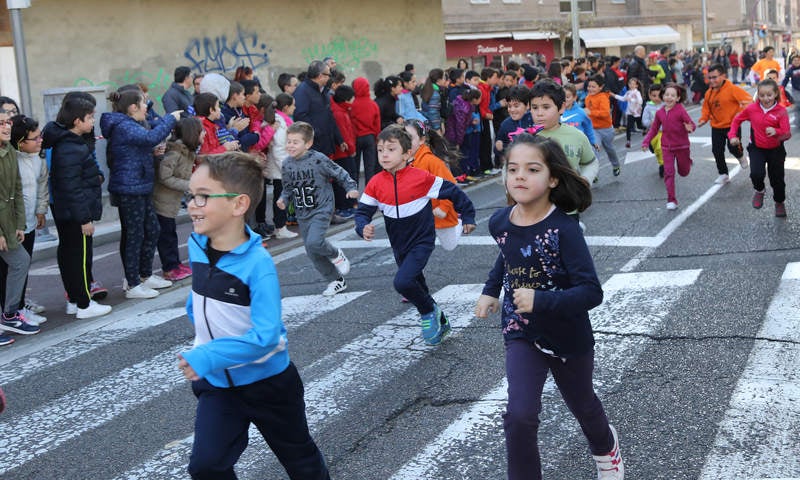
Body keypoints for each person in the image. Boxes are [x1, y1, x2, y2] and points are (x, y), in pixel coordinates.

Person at [474, 133, 624, 480]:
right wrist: (490, 290)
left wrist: (541, 299)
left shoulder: (564, 229)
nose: (520, 177)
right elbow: (507, 257)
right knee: (520, 415)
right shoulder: (500, 222)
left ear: (552, 178)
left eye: (532, 169)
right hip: (521, 331)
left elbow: (591, 291)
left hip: (567, 335)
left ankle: (606, 450)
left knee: (583, 406)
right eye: (513, 169)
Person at [178, 152, 331, 480]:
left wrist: (208, 353)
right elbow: (200, 295)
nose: (192, 204)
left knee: (300, 461)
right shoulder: (196, 245)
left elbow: (265, 337)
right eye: (190, 196)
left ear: (238, 205)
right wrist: (198, 322)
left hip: (270, 385)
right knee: (206, 466)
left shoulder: (258, 265)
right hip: (218, 385)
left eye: (203, 197)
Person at [354, 125, 476, 345]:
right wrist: (362, 226)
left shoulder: (421, 178)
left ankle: (428, 312)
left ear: (406, 153)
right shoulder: (375, 183)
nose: (384, 155)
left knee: (403, 282)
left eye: (391, 149)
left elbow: (453, 191)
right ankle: (440, 318)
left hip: (421, 240)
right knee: (416, 284)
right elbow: (362, 212)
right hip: (399, 244)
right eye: (381, 150)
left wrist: (468, 216)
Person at [100, 87, 179, 299]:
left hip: (141, 184)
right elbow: (150, 137)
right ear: (132, 107)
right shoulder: (123, 125)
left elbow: (146, 138)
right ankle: (132, 283)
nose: (147, 107)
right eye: (143, 103)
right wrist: (170, 119)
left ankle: (144, 275)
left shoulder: (131, 123)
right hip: (129, 187)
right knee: (135, 235)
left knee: (152, 229)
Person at [41, 94, 113, 319]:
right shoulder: (71, 147)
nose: (93, 121)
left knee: (70, 254)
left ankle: (74, 300)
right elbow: (72, 187)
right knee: (80, 257)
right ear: (76, 121)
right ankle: (84, 303)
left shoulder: (65, 142)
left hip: (66, 210)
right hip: (75, 213)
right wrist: (84, 218)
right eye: (90, 117)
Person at [276, 122, 358, 296]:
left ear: (308, 144)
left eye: (295, 142)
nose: (290, 145)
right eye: (288, 141)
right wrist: (283, 199)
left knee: (315, 242)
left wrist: (350, 187)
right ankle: (336, 281)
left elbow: (339, 172)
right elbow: (288, 187)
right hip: (302, 212)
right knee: (312, 252)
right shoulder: (287, 164)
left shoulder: (318, 159)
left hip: (322, 207)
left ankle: (336, 254)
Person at [2, 115, 48, 326]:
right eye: (35, 138)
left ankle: (16, 309)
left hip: (24, 222)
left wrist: (39, 212)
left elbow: (38, 188)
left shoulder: (36, 158)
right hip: (8, 225)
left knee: (22, 265)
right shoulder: (11, 158)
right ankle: (10, 312)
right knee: (13, 267)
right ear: (21, 142)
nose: (40, 141)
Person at [729, 78, 791, 217]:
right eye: (762, 95)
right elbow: (737, 120)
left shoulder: (781, 111)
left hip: (776, 150)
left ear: (775, 94)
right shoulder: (752, 109)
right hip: (757, 148)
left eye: (769, 95)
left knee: (777, 180)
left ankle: (779, 202)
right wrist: (733, 135)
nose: (766, 98)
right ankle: (759, 190)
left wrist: (777, 132)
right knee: (756, 174)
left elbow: (787, 133)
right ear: (758, 94)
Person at [154, 117, 200, 282]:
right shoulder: (175, 152)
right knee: (166, 236)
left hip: (171, 201)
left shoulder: (187, 151)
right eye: (200, 132)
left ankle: (175, 264)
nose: (203, 135)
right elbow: (164, 177)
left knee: (171, 233)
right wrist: (189, 184)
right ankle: (170, 268)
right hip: (162, 201)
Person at [405, 121, 463, 251]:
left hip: (438, 211)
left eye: (410, 138)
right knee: (415, 249)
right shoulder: (400, 161)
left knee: (449, 246)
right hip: (418, 215)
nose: (406, 141)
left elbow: (450, 185)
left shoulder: (431, 161)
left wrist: (444, 207)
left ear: (422, 140)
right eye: (403, 137)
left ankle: (459, 222)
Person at [530, 81, 599, 186]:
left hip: (568, 199)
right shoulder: (525, 138)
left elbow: (591, 163)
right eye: (535, 107)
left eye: (546, 107)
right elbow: (509, 168)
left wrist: (585, 180)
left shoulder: (577, 136)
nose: (539, 113)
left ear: (561, 108)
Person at [641, 83, 696, 210]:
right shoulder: (660, 112)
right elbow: (654, 129)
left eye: (672, 95)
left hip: (682, 146)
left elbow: (691, 124)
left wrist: (690, 128)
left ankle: (687, 161)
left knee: (684, 172)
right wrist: (645, 142)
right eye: (666, 95)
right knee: (669, 173)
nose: (669, 98)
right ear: (662, 96)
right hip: (667, 147)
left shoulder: (680, 110)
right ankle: (671, 200)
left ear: (677, 98)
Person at [697, 63, 752, 184]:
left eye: (714, 77)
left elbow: (748, 101)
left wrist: (741, 114)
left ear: (723, 76)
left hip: (733, 125)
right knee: (717, 150)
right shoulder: (708, 93)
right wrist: (703, 119)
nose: (712, 80)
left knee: (733, 148)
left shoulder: (733, 89)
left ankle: (740, 155)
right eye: (709, 77)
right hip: (716, 126)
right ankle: (723, 174)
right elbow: (706, 109)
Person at [262, 94, 298, 240]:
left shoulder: (282, 121)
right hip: (281, 167)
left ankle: (281, 226)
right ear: (285, 107)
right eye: (293, 105)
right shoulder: (280, 123)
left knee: (281, 196)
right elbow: (279, 149)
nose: (295, 108)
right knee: (281, 197)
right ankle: (281, 227)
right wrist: (287, 167)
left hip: (280, 166)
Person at [293, 60, 345, 158]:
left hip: (326, 146)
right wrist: (317, 133)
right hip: (314, 147)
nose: (330, 78)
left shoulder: (323, 91)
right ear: (320, 76)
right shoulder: (302, 91)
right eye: (328, 75)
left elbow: (329, 116)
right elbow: (300, 116)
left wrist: (339, 139)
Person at [585, 74, 622, 176]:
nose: (590, 89)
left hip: (606, 129)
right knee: (594, 151)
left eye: (593, 86)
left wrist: (590, 113)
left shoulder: (603, 97)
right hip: (593, 130)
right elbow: (588, 113)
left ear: (600, 87)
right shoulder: (587, 98)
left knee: (609, 149)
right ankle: (593, 173)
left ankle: (616, 165)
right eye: (589, 86)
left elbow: (605, 113)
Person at [350, 77, 381, 187]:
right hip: (370, 138)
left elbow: (351, 125)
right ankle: (370, 194)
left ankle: (354, 194)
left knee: (355, 169)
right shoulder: (373, 105)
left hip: (357, 138)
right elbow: (377, 124)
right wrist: (377, 138)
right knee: (370, 168)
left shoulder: (352, 106)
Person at [560, 83, 599, 149]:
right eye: (562, 97)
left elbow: (588, 127)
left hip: (579, 146)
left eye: (567, 97)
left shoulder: (581, 112)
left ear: (575, 97)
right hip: (563, 146)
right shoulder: (557, 112)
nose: (565, 99)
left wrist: (593, 141)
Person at [641, 84, 665, 177]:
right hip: (654, 132)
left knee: (660, 148)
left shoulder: (665, 105)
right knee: (657, 150)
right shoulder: (648, 107)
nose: (656, 98)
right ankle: (661, 162)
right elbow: (644, 121)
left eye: (659, 96)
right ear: (649, 95)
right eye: (654, 96)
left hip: (665, 132)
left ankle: (663, 166)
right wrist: (650, 123)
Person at [613, 77, 643, 148]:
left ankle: (647, 130)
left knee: (640, 126)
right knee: (629, 127)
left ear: (636, 85)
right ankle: (628, 141)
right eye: (630, 84)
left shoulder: (637, 93)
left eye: (633, 84)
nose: (632, 85)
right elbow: (623, 99)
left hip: (636, 112)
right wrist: (614, 95)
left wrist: (631, 100)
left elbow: (640, 101)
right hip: (630, 112)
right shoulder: (628, 92)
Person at [420, 68, 447, 133]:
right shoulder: (434, 94)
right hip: (432, 126)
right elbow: (433, 113)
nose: (445, 80)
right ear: (438, 80)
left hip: (429, 124)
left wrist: (442, 122)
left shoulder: (429, 89)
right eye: (444, 78)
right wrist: (437, 129)